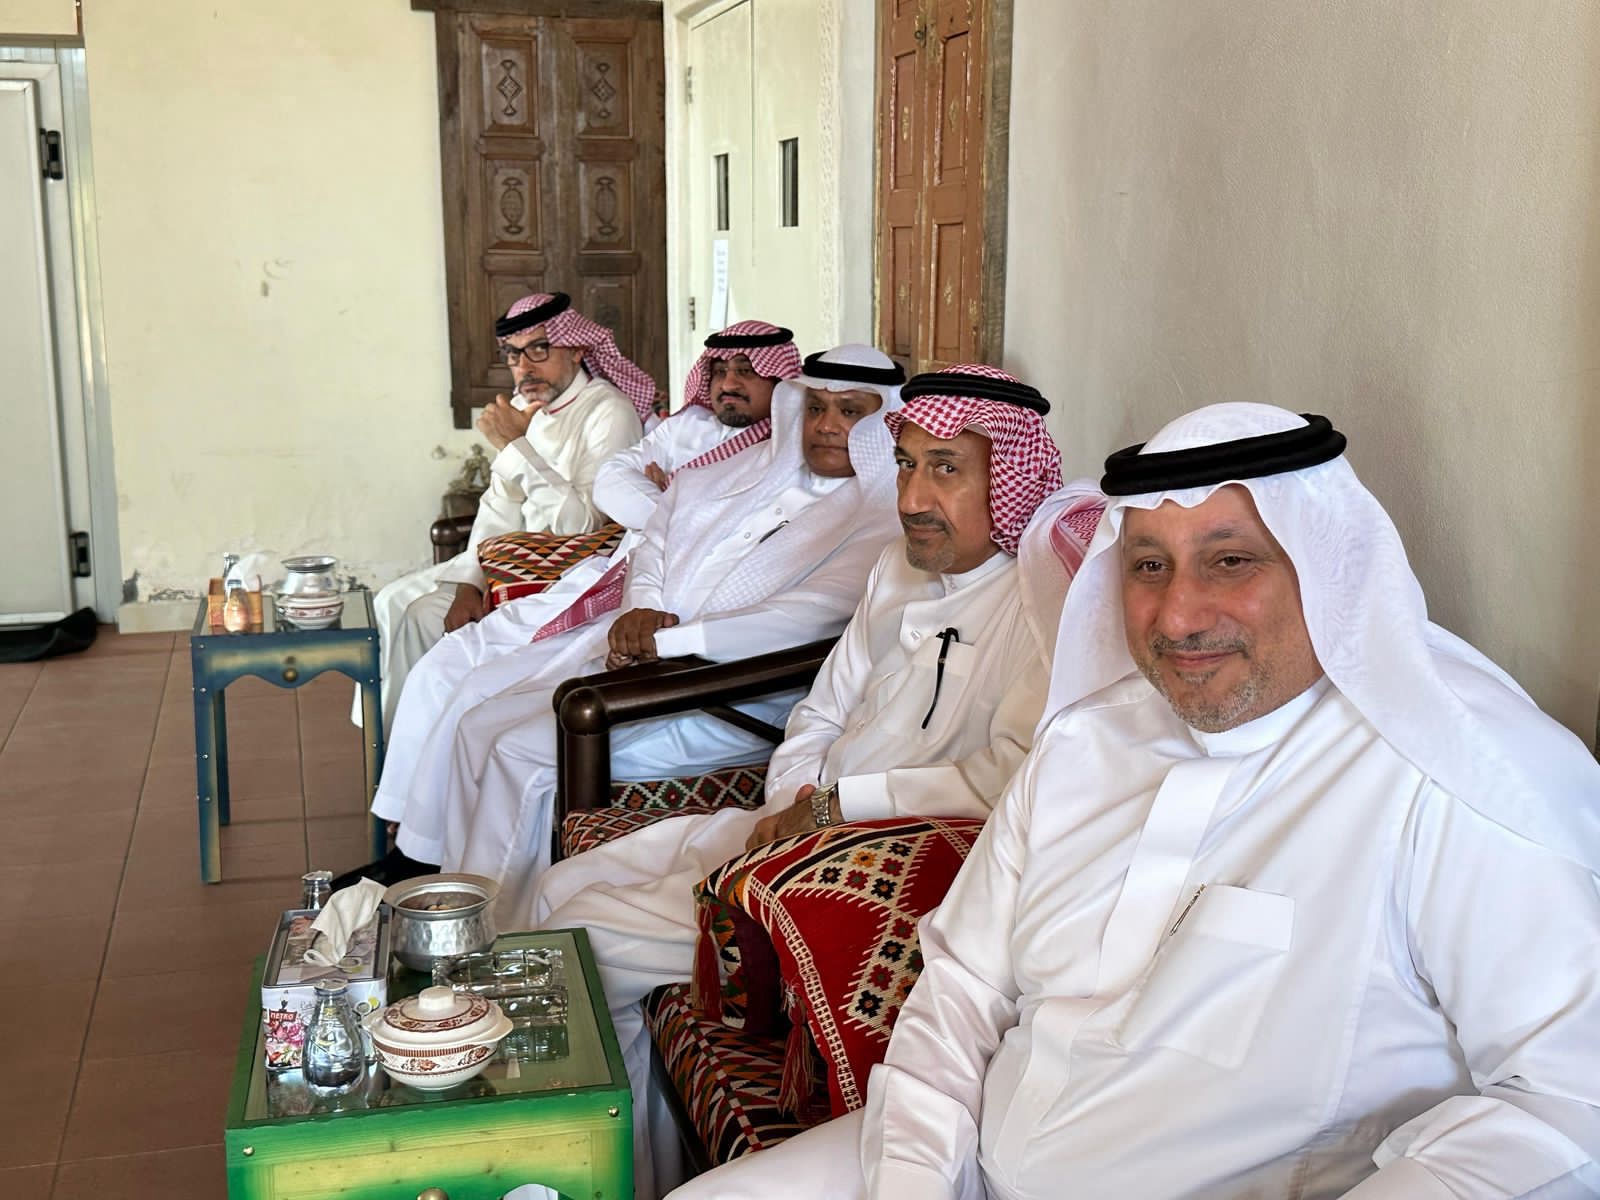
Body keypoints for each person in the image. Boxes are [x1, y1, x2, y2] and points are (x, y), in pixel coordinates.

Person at [674, 403, 1600, 1200]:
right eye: (1149, 565)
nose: (1179, 616)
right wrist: (915, 1181)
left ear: (1327, 568)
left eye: (1230, 561)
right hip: (960, 1160)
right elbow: (960, 988)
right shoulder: (1086, 741)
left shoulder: (1457, 780)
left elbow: (1566, 1108)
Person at [532, 365, 1103, 1200]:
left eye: (946, 469)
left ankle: (609, 1181)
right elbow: (822, 710)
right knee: (560, 884)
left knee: (582, 941)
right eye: (905, 464)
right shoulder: (898, 567)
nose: (913, 497)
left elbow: (1009, 780)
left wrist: (832, 813)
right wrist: (791, 803)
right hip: (791, 825)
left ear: (1008, 482)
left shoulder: (1041, 604)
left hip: (868, 871)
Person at [362, 345, 911, 918]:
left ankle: (502, 931)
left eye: (850, 412)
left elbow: (803, 618)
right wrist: (642, 607)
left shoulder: (881, 520)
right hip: (645, 665)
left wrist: (666, 642)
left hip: (730, 697)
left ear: (884, 424)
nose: (826, 426)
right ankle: (441, 888)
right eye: (816, 407)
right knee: (477, 722)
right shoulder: (753, 469)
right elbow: (659, 534)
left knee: (517, 754)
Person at [366, 292, 650, 727]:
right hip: (509, 560)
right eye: (514, 354)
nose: (524, 367)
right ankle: (388, 740)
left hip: (567, 573)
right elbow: (499, 505)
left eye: (539, 349)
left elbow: (584, 526)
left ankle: (423, 738)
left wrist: (516, 445)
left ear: (576, 349)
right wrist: (469, 582)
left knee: (423, 616)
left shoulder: (608, 412)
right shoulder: (521, 408)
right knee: (390, 600)